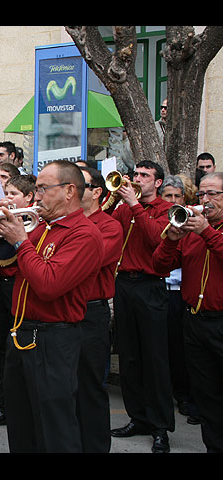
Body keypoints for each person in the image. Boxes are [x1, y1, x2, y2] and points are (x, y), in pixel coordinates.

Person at [0, 160, 104, 452]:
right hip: (23, 333)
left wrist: (20, 241)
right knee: (21, 423)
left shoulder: (84, 234)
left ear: (69, 191)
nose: (36, 196)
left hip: (53, 338)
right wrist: (2, 226)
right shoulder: (43, 227)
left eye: (42, 189)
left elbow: (49, 284)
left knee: (54, 428)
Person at [152, 171, 223, 452]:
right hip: (195, 320)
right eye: (202, 194)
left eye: (213, 194)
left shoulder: (204, 231)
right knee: (206, 396)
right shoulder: (192, 234)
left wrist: (206, 231)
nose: (205, 200)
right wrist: (171, 238)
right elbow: (159, 266)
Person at [109, 160, 175, 453]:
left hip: (151, 286)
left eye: (144, 176)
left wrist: (135, 205)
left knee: (155, 358)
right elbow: (104, 226)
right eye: (135, 174)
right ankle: (137, 417)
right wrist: (116, 201)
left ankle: (161, 426)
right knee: (130, 356)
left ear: (157, 182)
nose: (137, 179)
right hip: (124, 284)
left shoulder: (164, 210)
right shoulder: (123, 207)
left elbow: (156, 241)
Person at [0, 174, 36, 429]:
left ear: (29, 198)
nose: (7, 198)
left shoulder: (32, 222)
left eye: (13, 194)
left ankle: (15, 404)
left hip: (18, 286)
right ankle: (2, 395)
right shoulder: (3, 217)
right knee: (1, 341)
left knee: (15, 345)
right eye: (7, 193)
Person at [77, 166, 123, 452]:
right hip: (62, 312)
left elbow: (84, 262)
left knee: (90, 387)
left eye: (79, 184)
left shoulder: (109, 226)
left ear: (96, 192)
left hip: (91, 312)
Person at [159, 175, 199, 425]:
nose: (173, 200)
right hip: (160, 289)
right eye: (168, 196)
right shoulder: (159, 219)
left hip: (181, 293)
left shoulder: (191, 222)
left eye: (177, 197)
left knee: (180, 347)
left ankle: (186, 395)